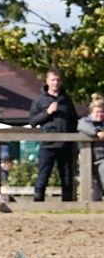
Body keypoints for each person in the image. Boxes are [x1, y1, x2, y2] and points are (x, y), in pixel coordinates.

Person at [27, 68, 78, 201]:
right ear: (47, 81)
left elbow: (74, 121)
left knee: (67, 178)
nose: (55, 82)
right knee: (43, 176)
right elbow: (32, 121)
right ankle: (38, 205)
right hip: (47, 145)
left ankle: (67, 206)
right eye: (53, 80)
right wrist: (47, 113)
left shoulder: (66, 100)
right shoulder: (40, 100)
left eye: (58, 80)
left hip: (65, 145)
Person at [77, 94, 104, 201]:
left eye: (102, 112)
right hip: (87, 159)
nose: (100, 114)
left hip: (102, 159)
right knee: (92, 187)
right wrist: (97, 133)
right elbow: (82, 125)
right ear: (91, 112)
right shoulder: (85, 121)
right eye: (97, 112)